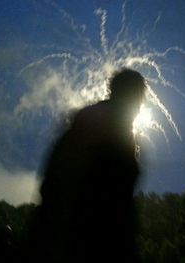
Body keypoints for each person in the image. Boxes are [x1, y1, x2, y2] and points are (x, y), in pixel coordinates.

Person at [31, 68, 146, 262]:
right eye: (139, 98)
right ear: (134, 96)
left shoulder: (102, 123)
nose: (140, 106)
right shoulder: (102, 123)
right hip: (85, 238)